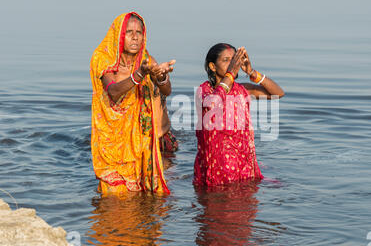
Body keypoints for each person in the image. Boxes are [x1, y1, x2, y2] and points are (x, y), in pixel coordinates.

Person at [90, 11, 175, 194]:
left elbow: (166, 91)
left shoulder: (145, 60)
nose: (135, 37)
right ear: (119, 35)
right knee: (113, 196)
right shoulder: (103, 58)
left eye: (139, 32)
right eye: (129, 32)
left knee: (142, 193)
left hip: (140, 139)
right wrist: (140, 74)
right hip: (111, 139)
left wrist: (161, 77)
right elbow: (113, 91)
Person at [194, 43, 285, 187]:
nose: (232, 65)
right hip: (216, 162)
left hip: (242, 160)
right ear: (212, 66)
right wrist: (231, 73)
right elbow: (213, 103)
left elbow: (278, 94)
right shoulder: (204, 90)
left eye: (234, 60)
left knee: (245, 202)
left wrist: (252, 72)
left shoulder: (243, 89)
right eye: (226, 60)